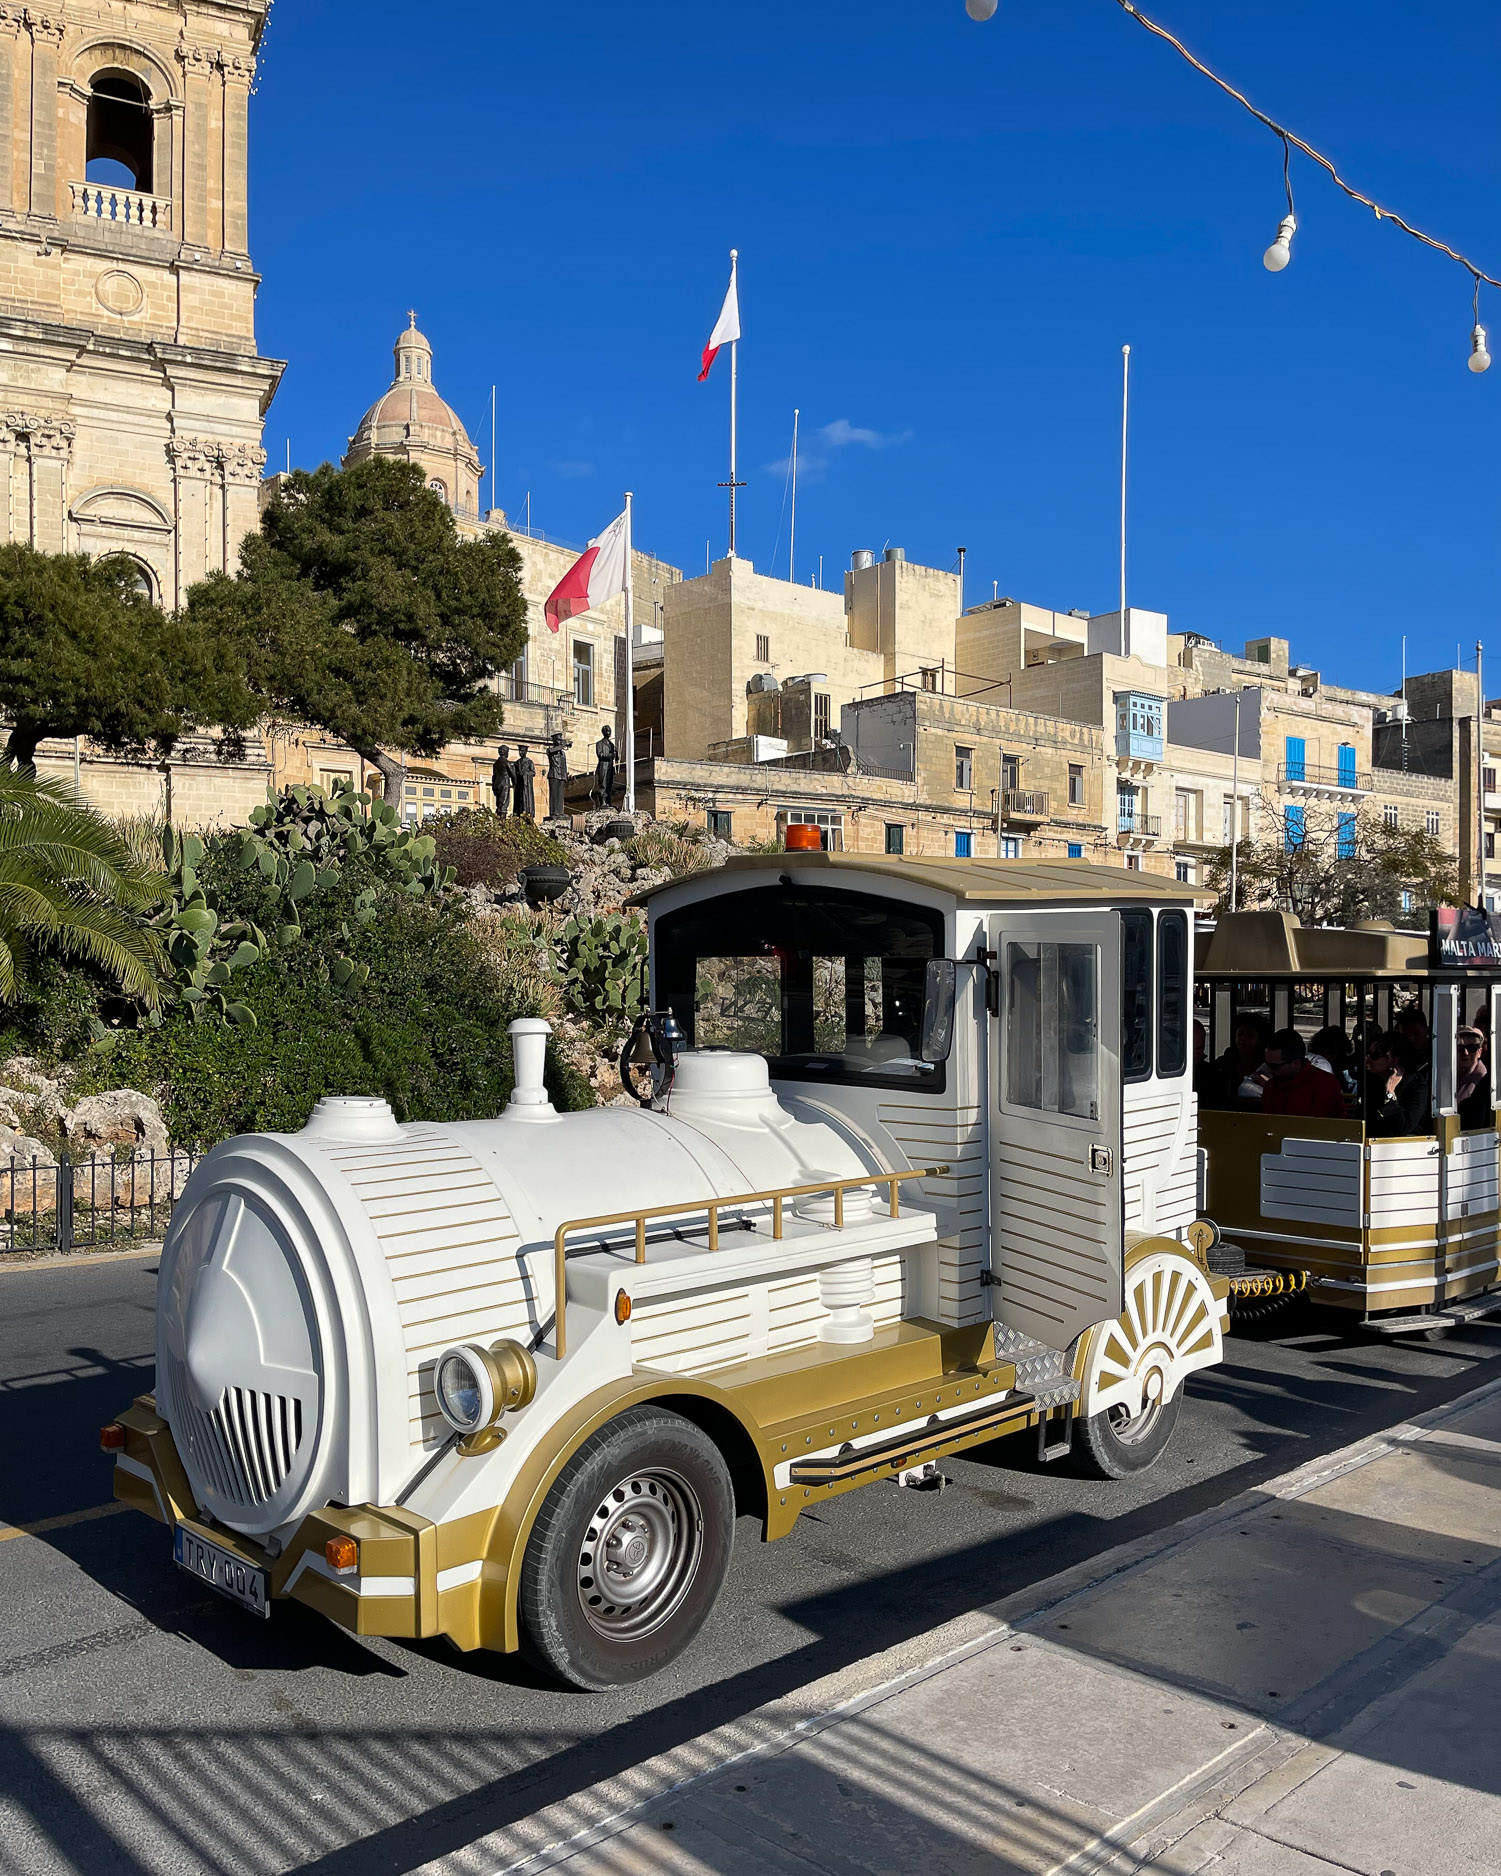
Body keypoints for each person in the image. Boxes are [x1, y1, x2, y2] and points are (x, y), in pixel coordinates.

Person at [1258, 1028, 1346, 1119]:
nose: (1269, 1070)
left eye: (1274, 1066)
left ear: (1296, 1063)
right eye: (1266, 1064)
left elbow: (1323, 1124)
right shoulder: (1272, 1085)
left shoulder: (1324, 1083)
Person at [1367, 1035, 1431, 1137]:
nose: (1368, 1059)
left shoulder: (1416, 1085)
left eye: (1375, 1055)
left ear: (1393, 1059)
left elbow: (1403, 1128)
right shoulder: (1373, 1080)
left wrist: (1390, 1094)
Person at [1211, 1015, 1270, 1106]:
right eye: (1240, 1034)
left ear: (1260, 1040)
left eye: (1250, 1035)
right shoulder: (1222, 1063)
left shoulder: (1269, 1066)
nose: (1243, 1038)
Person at [1456, 1026, 1492, 1130]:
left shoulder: (1485, 1082)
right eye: (1460, 1048)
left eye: (1472, 1048)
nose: (1465, 1053)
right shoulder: (1445, 1076)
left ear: (1479, 1052)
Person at [1309, 1024, 1357, 1101]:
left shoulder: (1348, 1075)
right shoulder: (1315, 1069)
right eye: (1328, 1050)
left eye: (1331, 1051)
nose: (1330, 1056)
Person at [491, 744, 512, 819]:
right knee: (504, 804)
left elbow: (494, 776)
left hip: (497, 783)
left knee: (499, 804)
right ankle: (502, 822)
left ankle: (499, 818)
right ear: (505, 752)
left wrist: (493, 787)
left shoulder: (495, 764)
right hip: (504, 783)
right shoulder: (506, 762)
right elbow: (512, 773)